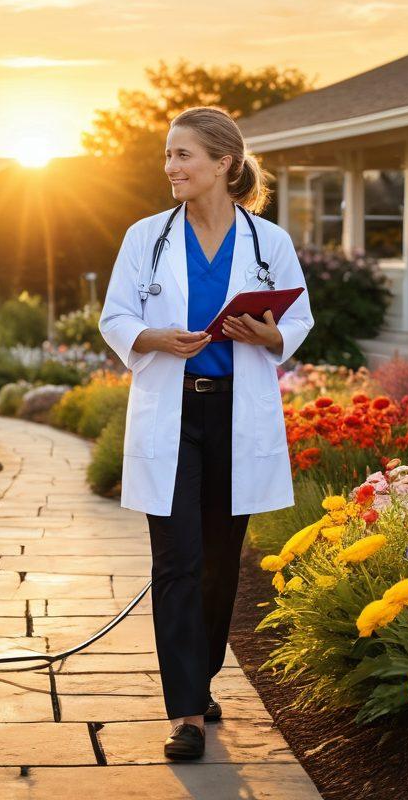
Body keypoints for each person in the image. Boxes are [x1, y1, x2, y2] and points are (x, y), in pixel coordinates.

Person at [99, 106, 313, 761]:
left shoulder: (267, 242)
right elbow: (115, 315)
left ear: (223, 163)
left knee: (221, 566)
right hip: (174, 413)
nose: (170, 167)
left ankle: (204, 676)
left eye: (183, 156)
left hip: (235, 413)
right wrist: (152, 337)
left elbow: (296, 321)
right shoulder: (146, 238)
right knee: (178, 562)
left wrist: (269, 333)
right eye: (168, 156)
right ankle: (186, 712)